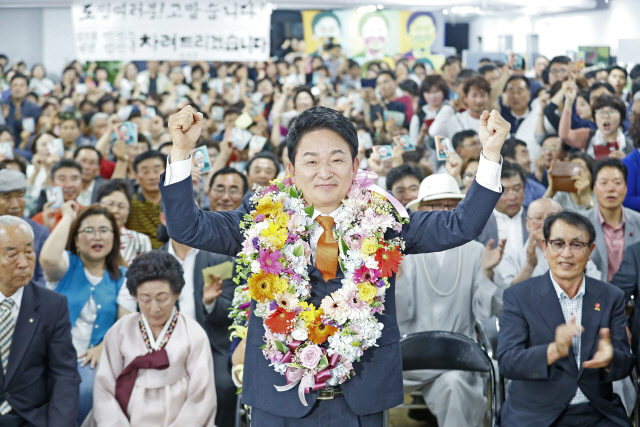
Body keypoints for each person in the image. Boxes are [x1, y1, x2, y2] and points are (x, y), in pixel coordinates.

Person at [159, 104, 510, 425]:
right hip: (278, 398)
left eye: (337, 160)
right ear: (292, 170)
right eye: (311, 161)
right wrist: (180, 151)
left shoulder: (385, 222)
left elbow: (460, 225)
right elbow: (187, 226)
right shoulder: (259, 221)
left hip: (360, 399)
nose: (324, 172)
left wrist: (491, 153)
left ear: (355, 166)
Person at [497, 211, 634, 427]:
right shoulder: (519, 296)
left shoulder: (610, 297)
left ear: (590, 251)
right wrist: (552, 351)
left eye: (576, 245)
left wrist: (610, 360)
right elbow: (507, 362)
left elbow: (625, 364)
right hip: (536, 414)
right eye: (558, 244)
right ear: (545, 247)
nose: (566, 253)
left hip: (596, 411)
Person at [398, 173, 503, 427]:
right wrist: (397, 275)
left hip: (455, 360)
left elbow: (485, 312)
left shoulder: (476, 250)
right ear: (421, 209)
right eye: (436, 206)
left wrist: (488, 272)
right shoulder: (403, 250)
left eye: (450, 206)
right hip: (407, 359)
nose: (443, 212)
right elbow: (401, 315)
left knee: (454, 386)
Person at [84, 251, 217, 426]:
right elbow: (104, 390)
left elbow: (201, 396)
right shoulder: (120, 331)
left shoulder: (194, 334)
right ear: (134, 296)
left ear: (177, 294)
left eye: (162, 299)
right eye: (145, 299)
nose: (154, 308)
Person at [39, 203, 135, 424]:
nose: (96, 236)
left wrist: (103, 347)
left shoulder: (123, 277)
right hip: (54, 355)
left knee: (85, 390)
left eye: (103, 230)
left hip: (93, 359)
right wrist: (69, 217)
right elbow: (47, 259)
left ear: (114, 237)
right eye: (88, 230)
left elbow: (124, 323)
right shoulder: (65, 266)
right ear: (75, 239)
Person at [158, 202, 237, 427]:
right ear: (165, 219)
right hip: (166, 344)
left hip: (212, 342)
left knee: (223, 386)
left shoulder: (219, 257)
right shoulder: (155, 261)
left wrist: (209, 303)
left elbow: (232, 308)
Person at [0, 216, 80, 427]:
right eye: (12, 255)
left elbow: (64, 374)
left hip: (31, 417)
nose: (24, 263)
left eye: (29, 252)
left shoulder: (52, 305)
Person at [497, 197, 600, 286]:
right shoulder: (511, 259)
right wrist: (529, 265)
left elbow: (596, 284)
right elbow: (509, 295)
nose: (545, 223)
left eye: (552, 218)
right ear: (527, 224)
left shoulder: (576, 253)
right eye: (538, 218)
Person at [584, 158, 640, 282]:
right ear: (594, 188)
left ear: (626, 188)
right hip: (594, 296)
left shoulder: (638, 222)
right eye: (604, 183)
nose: (610, 189)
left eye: (617, 182)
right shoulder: (581, 224)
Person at [0, 169, 49, 285]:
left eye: (20, 196)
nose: (15, 205)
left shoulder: (40, 232)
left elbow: (45, 277)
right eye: (7, 198)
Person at [560, 91, 632, 160]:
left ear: (621, 116)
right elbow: (565, 135)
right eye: (601, 112)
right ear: (594, 116)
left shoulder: (630, 144)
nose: (606, 116)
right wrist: (568, 103)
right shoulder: (588, 136)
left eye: (611, 111)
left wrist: (626, 161)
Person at [476, 161, 529, 255]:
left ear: (524, 188)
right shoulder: (479, 222)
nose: (512, 197)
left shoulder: (534, 217)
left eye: (517, 189)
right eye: (504, 191)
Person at [96, 179, 152, 265]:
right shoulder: (88, 236)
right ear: (97, 205)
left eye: (121, 206)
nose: (115, 210)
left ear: (128, 211)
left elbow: (145, 273)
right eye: (110, 204)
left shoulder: (141, 241)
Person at [429, 76, 491, 140]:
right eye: (474, 95)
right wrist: (450, 108)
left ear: (488, 97)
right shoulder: (457, 120)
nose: (479, 100)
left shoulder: (494, 121)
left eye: (482, 95)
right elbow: (434, 132)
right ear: (465, 98)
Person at [125, 151, 166, 249]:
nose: (152, 177)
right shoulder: (129, 204)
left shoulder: (176, 202)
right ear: (136, 176)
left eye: (157, 170)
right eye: (145, 172)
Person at [31, 159, 84, 229]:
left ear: (81, 183)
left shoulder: (89, 215)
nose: (69, 184)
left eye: (74, 179)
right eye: (62, 179)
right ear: (52, 183)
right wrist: (46, 229)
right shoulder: (38, 220)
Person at [501, 138, 546, 207]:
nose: (529, 160)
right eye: (524, 155)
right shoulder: (492, 188)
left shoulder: (538, 189)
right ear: (508, 160)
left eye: (517, 189)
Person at [3, 74, 41, 146]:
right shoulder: (4, 106)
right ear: (10, 88)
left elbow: (30, 132)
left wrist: (19, 119)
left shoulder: (34, 108)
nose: (18, 88)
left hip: (24, 146)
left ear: (27, 89)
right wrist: (3, 118)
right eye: (15, 85)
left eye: (21, 85)